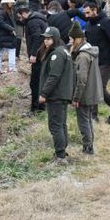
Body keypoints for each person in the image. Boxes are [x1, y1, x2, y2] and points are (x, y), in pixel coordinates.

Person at [82, 1, 110, 124]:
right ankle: (93, 116)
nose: (86, 15)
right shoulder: (89, 24)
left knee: (99, 87)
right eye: (85, 13)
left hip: (105, 60)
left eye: (88, 12)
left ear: (95, 10)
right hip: (93, 60)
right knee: (92, 86)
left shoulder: (106, 22)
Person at [38, 26, 74, 165]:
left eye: (49, 38)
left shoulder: (57, 54)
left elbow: (54, 76)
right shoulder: (63, 51)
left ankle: (60, 157)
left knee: (55, 125)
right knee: (61, 124)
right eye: (45, 38)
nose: (46, 41)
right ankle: (62, 151)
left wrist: (44, 93)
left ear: (55, 38)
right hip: (62, 94)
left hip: (56, 95)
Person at [69, 22, 103, 155]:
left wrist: (76, 97)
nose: (70, 42)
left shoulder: (82, 56)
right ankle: (89, 145)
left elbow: (81, 79)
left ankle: (87, 148)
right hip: (91, 92)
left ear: (78, 39)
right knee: (88, 119)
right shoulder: (89, 51)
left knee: (83, 121)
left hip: (85, 94)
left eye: (71, 39)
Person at [17, 6, 47, 114]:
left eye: (20, 17)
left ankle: (36, 108)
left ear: (24, 13)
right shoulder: (38, 19)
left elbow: (37, 37)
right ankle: (40, 106)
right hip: (43, 55)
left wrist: (33, 54)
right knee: (39, 81)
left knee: (35, 83)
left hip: (39, 57)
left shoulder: (32, 21)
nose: (20, 20)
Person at [0, 0, 17, 74]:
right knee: (5, 51)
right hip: (2, 35)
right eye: (10, 2)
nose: (12, 3)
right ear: (6, 2)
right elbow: (0, 22)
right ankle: (7, 68)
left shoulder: (7, 10)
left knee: (2, 51)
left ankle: (1, 68)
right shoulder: (0, 11)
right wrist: (11, 29)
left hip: (4, 35)